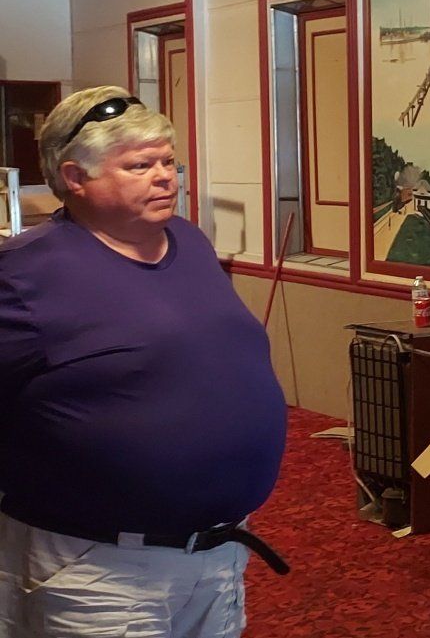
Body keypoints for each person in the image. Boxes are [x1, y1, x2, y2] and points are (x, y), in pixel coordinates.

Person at [0, 86, 288, 638]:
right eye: (139, 165)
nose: (165, 178)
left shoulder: (188, 241)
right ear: (75, 177)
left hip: (219, 553)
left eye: (168, 162)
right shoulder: (24, 274)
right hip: (98, 568)